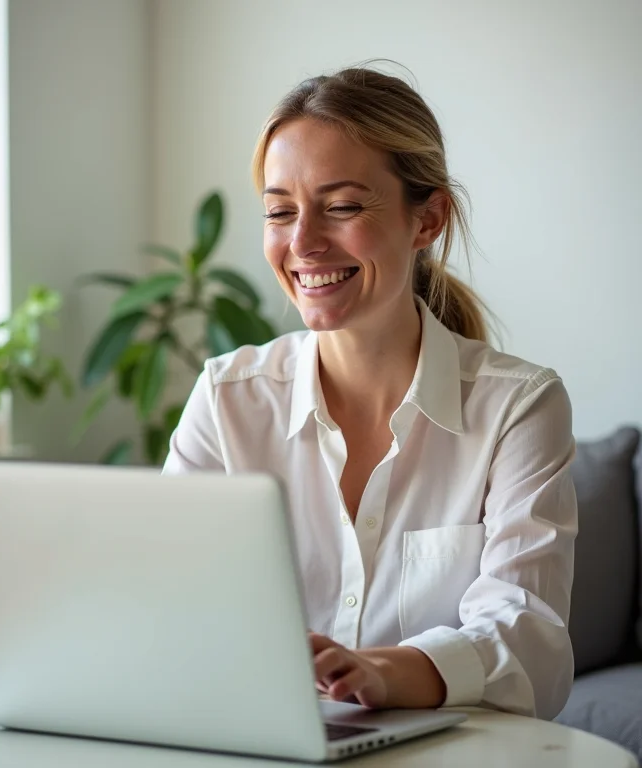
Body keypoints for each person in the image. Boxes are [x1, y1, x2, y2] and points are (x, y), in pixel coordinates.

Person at [162, 65, 577, 720]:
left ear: (428, 219)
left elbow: (532, 649)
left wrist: (383, 673)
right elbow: (164, 607)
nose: (302, 243)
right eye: (279, 212)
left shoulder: (518, 406)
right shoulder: (226, 399)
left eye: (343, 206)